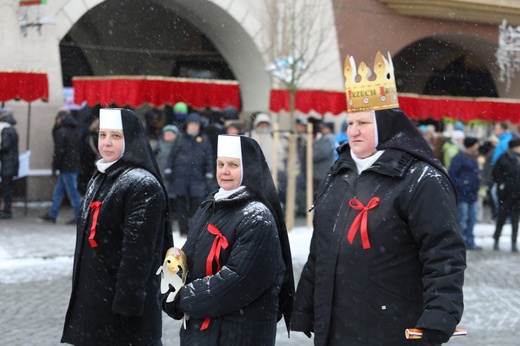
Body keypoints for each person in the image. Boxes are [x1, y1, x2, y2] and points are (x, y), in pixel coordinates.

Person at [291, 52, 466, 345]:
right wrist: (305, 306)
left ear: (386, 127)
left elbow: (443, 252)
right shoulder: (339, 174)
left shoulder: (421, 179)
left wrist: (439, 317)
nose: (353, 131)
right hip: (335, 326)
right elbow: (320, 249)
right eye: (349, 123)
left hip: (391, 325)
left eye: (363, 123)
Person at [161, 134, 294, 345]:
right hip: (200, 332)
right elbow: (190, 256)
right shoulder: (211, 205)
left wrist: (182, 297)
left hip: (238, 334)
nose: (224, 171)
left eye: (233, 164)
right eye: (220, 163)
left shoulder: (257, 217)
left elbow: (237, 281)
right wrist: (171, 285)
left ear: (248, 168)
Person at [61, 108, 174, 345]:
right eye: (103, 135)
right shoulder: (101, 175)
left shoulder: (142, 184)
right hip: (95, 299)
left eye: (116, 136)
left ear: (130, 139)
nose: (107, 143)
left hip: (121, 310)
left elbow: (138, 254)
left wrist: (126, 306)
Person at [167, 112, 214, 236]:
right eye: (191, 125)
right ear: (187, 126)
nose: (193, 127)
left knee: (197, 205)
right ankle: (183, 230)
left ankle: (194, 231)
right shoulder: (180, 138)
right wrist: (169, 168)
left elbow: (209, 157)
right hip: (180, 177)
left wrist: (209, 172)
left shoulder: (204, 139)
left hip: (197, 177)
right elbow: (172, 155)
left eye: (196, 125)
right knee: (181, 205)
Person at [40, 110, 83, 224]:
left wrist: (55, 165)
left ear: (60, 119)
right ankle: (52, 214)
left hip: (66, 166)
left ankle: (79, 217)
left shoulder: (61, 131)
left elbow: (59, 151)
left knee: (72, 193)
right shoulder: (75, 130)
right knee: (59, 191)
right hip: (73, 165)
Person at [448, 136, 482, 250]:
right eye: (476, 144)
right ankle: (460, 243)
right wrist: (464, 184)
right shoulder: (459, 157)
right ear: (471, 145)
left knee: (472, 218)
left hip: (472, 194)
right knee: (462, 219)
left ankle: (470, 241)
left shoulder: (474, 157)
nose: (478, 146)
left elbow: (474, 172)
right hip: (463, 194)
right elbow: (452, 174)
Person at [492, 137, 520, 252]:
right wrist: (502, 184)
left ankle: (513, 242)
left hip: (518, 193)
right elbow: (495, 173)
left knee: (515, 219)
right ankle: (496, 239)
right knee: (502, 218)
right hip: (506, 193)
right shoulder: (504, 158)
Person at [154, 124, 179, 222]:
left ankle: (173, 219)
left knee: (173, 200)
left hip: (174, 178)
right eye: (166, 133)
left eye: (171, 134)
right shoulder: (158, 144)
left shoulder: (178, 146)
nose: (168, 135)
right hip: (160, 175)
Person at [0, 108, 19, 219]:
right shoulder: (11, 129)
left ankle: (7, 211)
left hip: (7, 163)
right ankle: (7, 209)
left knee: (7, 188)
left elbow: (5, 146)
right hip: (11, 163)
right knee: (8, 187)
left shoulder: (6, 130)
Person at [312, 121, 336, 198]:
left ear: (329, 129)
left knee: (320, 194)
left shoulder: (328, 138)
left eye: (324, 128)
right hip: (320, 172)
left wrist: (310, 156)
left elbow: (322, 153)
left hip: (322, 172)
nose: (322, 129)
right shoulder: (324, 138)